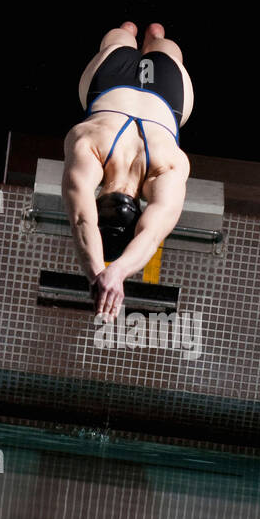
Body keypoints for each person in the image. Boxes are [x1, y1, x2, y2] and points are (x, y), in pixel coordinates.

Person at [62, 22, 194, 318]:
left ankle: (154, 38)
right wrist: (98, 272)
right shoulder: (87, 145)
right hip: (109, 81)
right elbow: (82, 220)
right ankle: (130, 31)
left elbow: (151, 234)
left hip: (167, 93)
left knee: (162, 41)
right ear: (98, 204)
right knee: (121, 35)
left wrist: (118, 273)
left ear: (138, 211)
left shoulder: (169, 165)